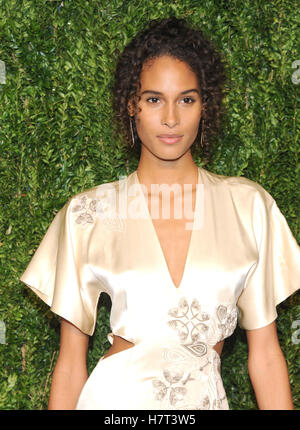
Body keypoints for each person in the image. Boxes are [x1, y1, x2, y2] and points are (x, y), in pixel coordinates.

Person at [20, 17, 300, 410]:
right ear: (131, 105)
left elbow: (267, 356)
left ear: (205, 105)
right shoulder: (88, 213)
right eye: (153, 99)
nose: (171, 118)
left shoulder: (249, 207)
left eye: (186, 99)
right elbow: (70, 365)